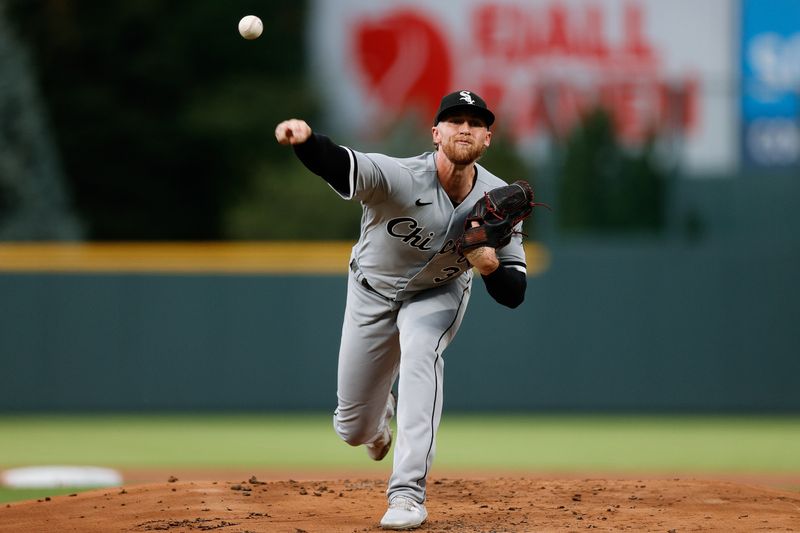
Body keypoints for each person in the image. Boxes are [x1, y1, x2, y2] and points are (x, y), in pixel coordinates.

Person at [275, 90, 529, 530]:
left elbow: (513, 292)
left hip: (439, 292)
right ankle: (379, 419)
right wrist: (306, 142)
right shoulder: (399, 176)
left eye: (475, 122)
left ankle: (407, 494)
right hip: (371, 291)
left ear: (487, 138)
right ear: (436, 133)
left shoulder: (498, 201)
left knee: (420, 349)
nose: (464, 128)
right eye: (454, 120)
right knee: (352, 431)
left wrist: (488, 266)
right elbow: (341, 162)